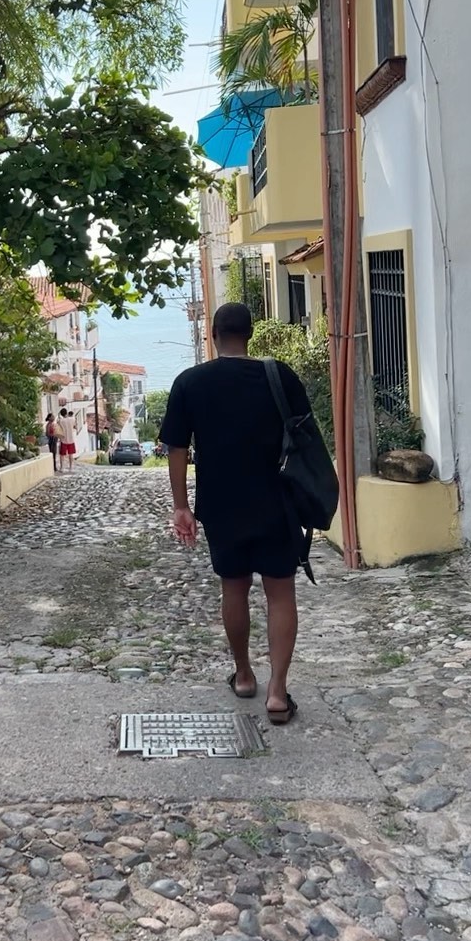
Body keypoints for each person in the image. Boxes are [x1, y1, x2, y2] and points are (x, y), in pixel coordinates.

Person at [159, 302, 311, 726]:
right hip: (276, 500)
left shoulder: (190, 382)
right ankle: (277, 692)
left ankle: (244, 675)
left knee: (234, 588)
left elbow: (176, 447)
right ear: (251, 333)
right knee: (280, 593)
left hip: (221, 504)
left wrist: (181, 506)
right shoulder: (280, 376)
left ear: (212, 335)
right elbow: (304, 435)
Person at [59, 407, 76, 472]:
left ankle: (62, 468)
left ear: (61, 414)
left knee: (62, 455)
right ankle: (71, 467)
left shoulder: (61, 421)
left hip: (63, 439)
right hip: (71, 439)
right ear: (66, 412)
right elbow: (74, 425)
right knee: (71, 454)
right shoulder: (72, 419)